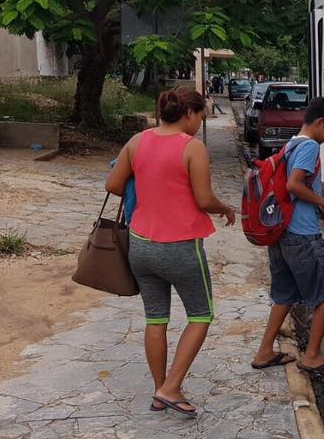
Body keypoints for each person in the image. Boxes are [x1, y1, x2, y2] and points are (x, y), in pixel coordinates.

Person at [105, 87, 236, 417]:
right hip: (180, 247)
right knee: (201, 315)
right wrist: (226, 209)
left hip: (140, 245)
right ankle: (171, 386)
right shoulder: (193, 148)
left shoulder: (137, 141)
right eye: (201, 116)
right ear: (189, 114)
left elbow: (113, 184)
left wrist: (147, 189)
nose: (200, 122)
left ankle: (158, 390)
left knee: (156, 318)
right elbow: (204, 199)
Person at [252, 97, 324, 377]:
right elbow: (294, 185)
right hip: (302, 236)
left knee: (284, 293)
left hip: (282, 232)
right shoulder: (308, 147)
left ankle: (265, 351)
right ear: (320, 123)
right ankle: (312, 356)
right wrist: (323, 202)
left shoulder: (291, 143)